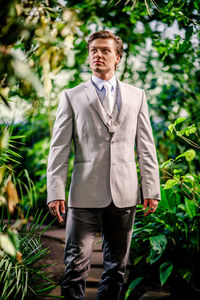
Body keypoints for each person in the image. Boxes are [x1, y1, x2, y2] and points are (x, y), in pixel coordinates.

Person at [47, 30, 161, 300]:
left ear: (118, 57)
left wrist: (151, 189)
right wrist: (56, 191)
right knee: (75, 266)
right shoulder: (71, 96)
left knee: (117, 268)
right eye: (93, 50)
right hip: (83, 194)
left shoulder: (137, 96)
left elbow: (146, 145)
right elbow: (59, 148)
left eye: (105, 50)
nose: (98, 54)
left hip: (125, 194)